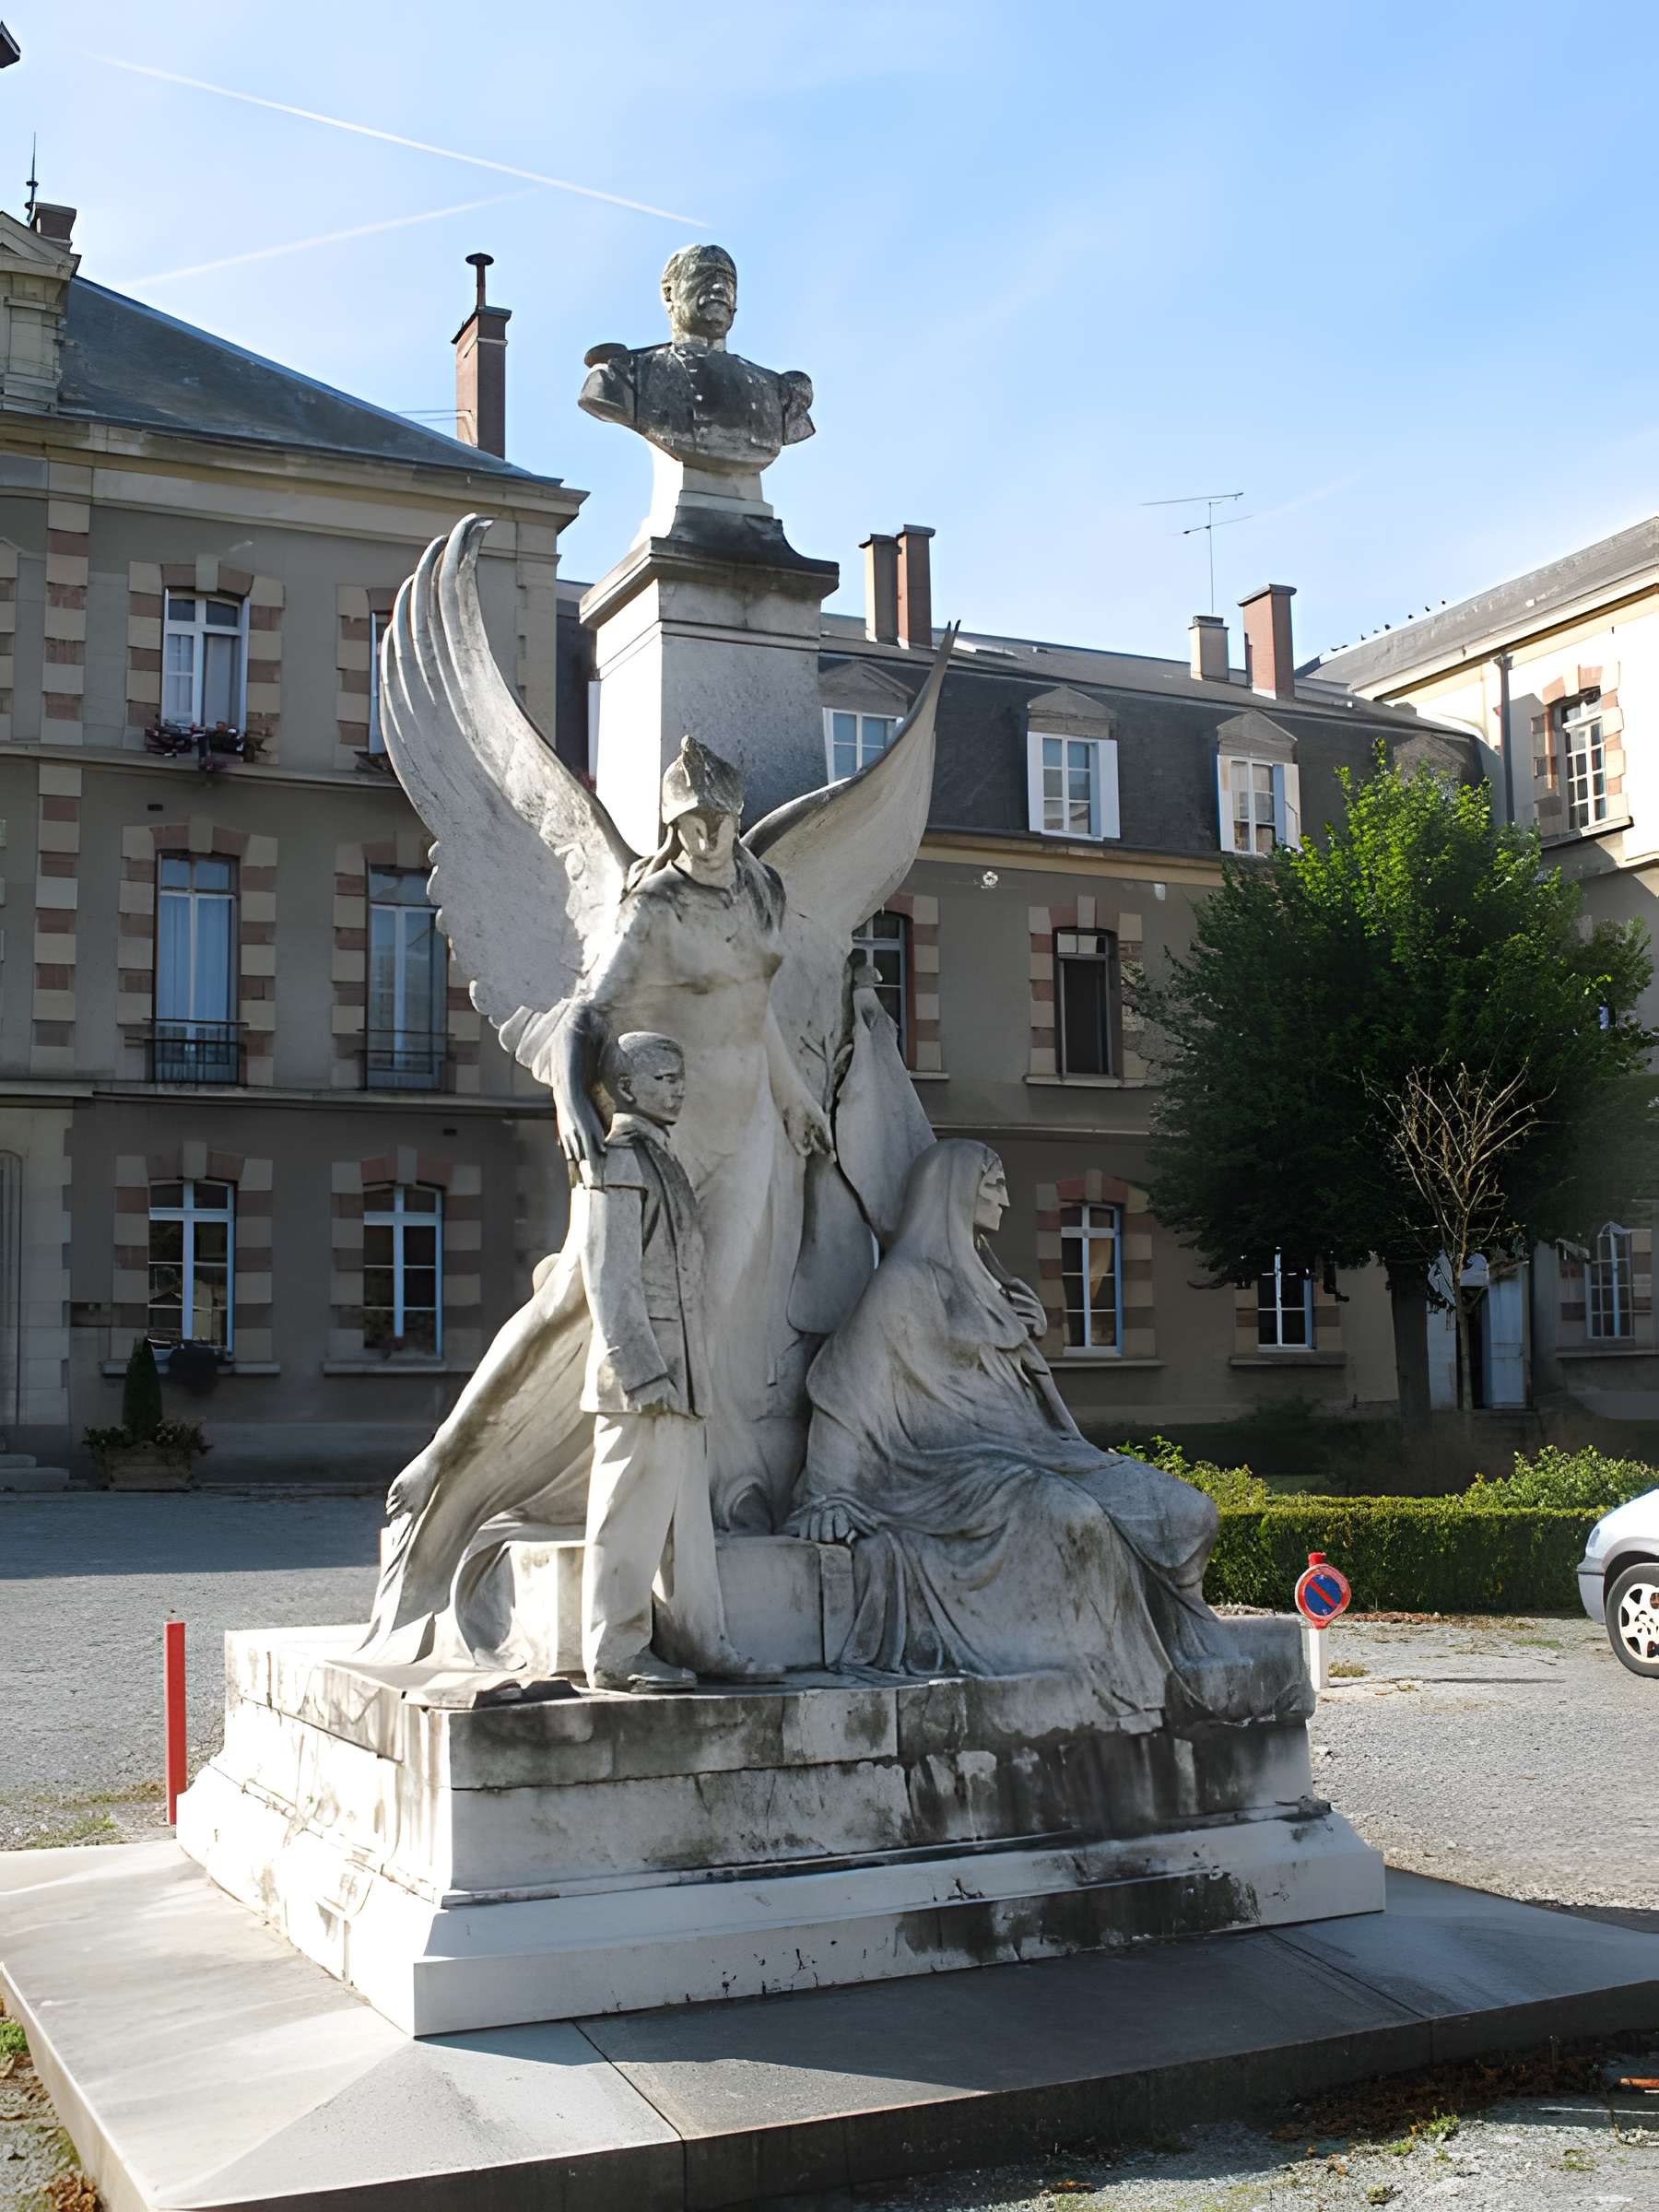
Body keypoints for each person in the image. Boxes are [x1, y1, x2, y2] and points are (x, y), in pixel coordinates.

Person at [789, 1141, 1308, 1726]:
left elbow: (1027, 1404)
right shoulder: (902, 1286)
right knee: (1075, 1522)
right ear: (955, 1194)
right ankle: (1106, 1675)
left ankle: (1185, 1648)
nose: (1006, 1198)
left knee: (1187, 1513)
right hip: (945, 1470)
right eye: (993, 1185)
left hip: (1038, 1452)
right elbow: (845, 1388)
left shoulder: (994, 1287)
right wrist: (829, 1494)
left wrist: (1026, 1342)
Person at [578, 1030, 781, 1692]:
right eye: (664, 1076)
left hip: (682, 1375)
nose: (679, 1087)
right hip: (643, 1380)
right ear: (628, 1088)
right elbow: (609, 1278)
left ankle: (701, 1641)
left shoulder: (661, 1158)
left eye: (680, 1074)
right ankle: (614, 1653)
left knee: (687, 1528)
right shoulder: (619, 1160)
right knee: (629, 1518)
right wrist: (641, 1371)